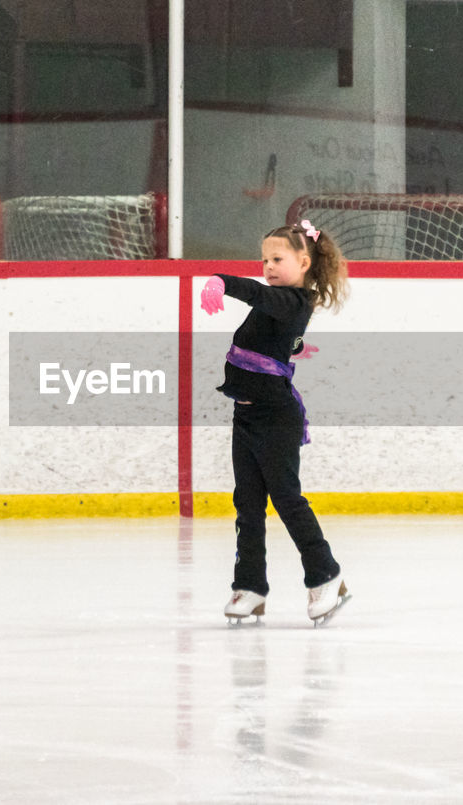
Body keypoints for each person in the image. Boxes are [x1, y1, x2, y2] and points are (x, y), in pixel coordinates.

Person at [200, 219, 350, 626]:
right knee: (247, 505)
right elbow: (270, 327)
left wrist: (220, 281)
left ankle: (326, 575)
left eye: (277, 259)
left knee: (286, 498)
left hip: (275, 416)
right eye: (264, 259)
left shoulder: (292, 301)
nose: (267, 265)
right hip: (245, 414)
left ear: (304, 262)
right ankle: (250, 587)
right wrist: (292, 346)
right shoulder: (280, 305)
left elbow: (258, 295)